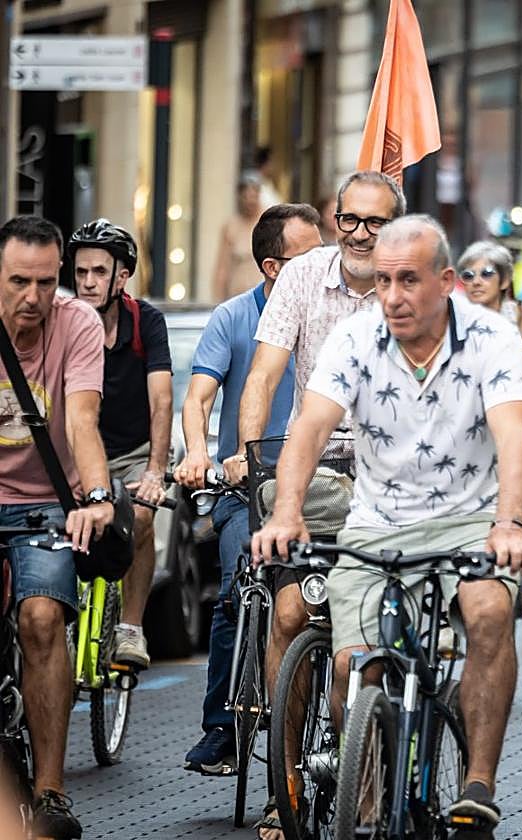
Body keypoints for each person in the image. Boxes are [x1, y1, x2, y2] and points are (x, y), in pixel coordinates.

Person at [251, 215, 522, 839]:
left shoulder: (492, 338)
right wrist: (287, 510)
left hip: (470, 520)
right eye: (383, 281)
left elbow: (515, 438)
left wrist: (510, 524)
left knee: (490, 614)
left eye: (408, 280)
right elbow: (310, 427)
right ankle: (361, 780)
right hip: (377, 524)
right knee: (350, 666)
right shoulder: (356, 338)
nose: (392, 296)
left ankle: (477, 786)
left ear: (446, 281)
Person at [232, 169, 404, 831]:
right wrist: (256, 466)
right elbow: (264, 376)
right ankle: (287, 781)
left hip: (392, 479)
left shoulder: (410, 284)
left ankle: (368, 761)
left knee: (357, 651)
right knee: (289, 616)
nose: (361, 232)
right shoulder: (303, 277)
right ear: (335, 220)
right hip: (316, 468)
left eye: (376, 221)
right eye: (350, 219)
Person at [175, 204, 322, 777]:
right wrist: (198, 452)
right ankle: (221, 726)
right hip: (248, 488)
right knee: (241, 580)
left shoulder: (329, 313)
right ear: (270, 267)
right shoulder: (233, 318)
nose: (324, 266)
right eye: (308, 258)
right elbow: (199, 397)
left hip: (320, 489)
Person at [0, 215, 114, 839]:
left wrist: (95, 495)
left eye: (47, 282)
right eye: (19, 281)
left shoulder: (78, 324)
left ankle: (50, 790)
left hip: (48, 504)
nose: (34, 297)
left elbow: (82, 420)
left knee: (42, 618)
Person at [68, 219, 172, 671]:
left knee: (142, 520)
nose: (87, 282)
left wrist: (154, 472)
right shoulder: (63, 320)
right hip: (75, 451)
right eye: (80, 272)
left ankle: (130, 626)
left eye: (98, 272)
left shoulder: (145, 322)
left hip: (131, 452)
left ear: (121, 276)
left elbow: (162, 401)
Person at [456, 241, 522, 338]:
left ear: (505, 280)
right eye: (468, 276)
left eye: (486, 274)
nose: (476, 282)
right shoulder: (452, 319)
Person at [212, 175, 265, 301]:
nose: (250, 201)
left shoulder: (268, 222)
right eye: (246, 197)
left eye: (254, 196)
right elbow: (222, 268)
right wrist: (218, 299)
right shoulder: (231, 226)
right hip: (237, 295)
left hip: (263, 296)